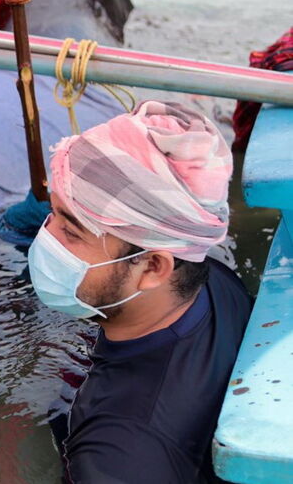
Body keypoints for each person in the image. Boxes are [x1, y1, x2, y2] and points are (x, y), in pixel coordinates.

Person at [25, 101, 252, 482]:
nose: (45, 236)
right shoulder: (208, 277)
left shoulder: (117, 454)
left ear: (151, 267)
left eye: (70, 230)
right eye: (54, 213)